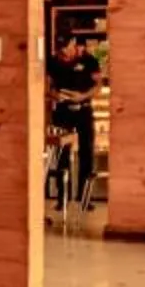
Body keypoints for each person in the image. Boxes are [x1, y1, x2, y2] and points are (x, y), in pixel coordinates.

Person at [46, 36, 101, 201]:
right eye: (60, 48)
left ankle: (85, 198)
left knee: (87, 153)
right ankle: (63, 196)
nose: (64, 51)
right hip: (62, 111)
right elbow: (45, 85)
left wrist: (82, 96)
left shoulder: (89, 60)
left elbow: (98, 85)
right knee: (62, 153)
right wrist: (54, 94)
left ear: (74, 42)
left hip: (83, 110)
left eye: (67, 46)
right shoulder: (53, 61)